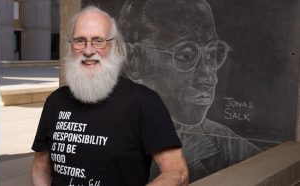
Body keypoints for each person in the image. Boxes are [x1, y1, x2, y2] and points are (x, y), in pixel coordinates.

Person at [31, 6, 188, 186]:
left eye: (98, 41)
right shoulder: (55, 101)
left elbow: (177, 173)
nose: (88, 50)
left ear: (114, 46)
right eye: (80, 41)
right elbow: (40, 167)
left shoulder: (144, 102)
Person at [118, 0, 262, 181]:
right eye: (186, 55)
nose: (210, 78)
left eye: (212, 53)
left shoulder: (228, 146)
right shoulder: (100, 126)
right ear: (134, 59)